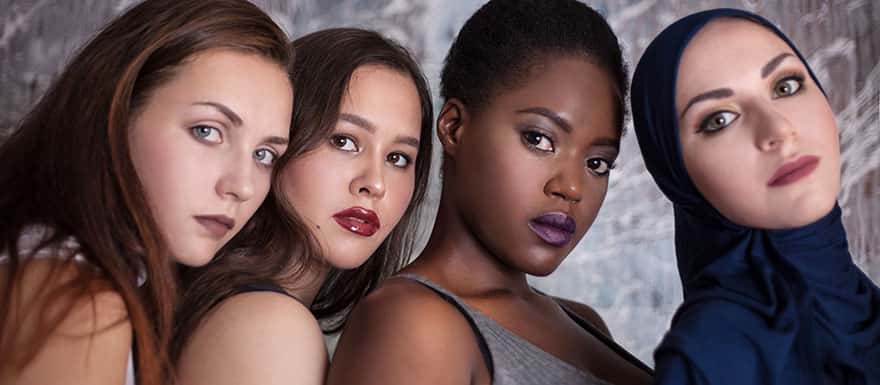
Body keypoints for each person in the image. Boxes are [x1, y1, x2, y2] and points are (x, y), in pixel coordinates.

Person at [327, 1, 653, 384]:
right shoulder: (414, 323)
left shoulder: (583, 322)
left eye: (597, 163)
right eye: (539, 139)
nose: (570, 188)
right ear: (453, 127)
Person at [0, 0, 293, 384]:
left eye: (264, 154)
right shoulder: (77, 302)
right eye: (207, 131)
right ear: (116, 113)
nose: (241, 186)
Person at [630, 8, 880, 385]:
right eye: (720, 120)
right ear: (677, 173)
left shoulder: (858, 298)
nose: (778, 130)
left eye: (786, 86)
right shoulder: (711, 356)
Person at [172, 28, 434, 385]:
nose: (374, 183)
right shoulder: (271, 327)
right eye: (344, 141)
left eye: (398, 158)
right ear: (281, 138)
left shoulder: (242, 308)